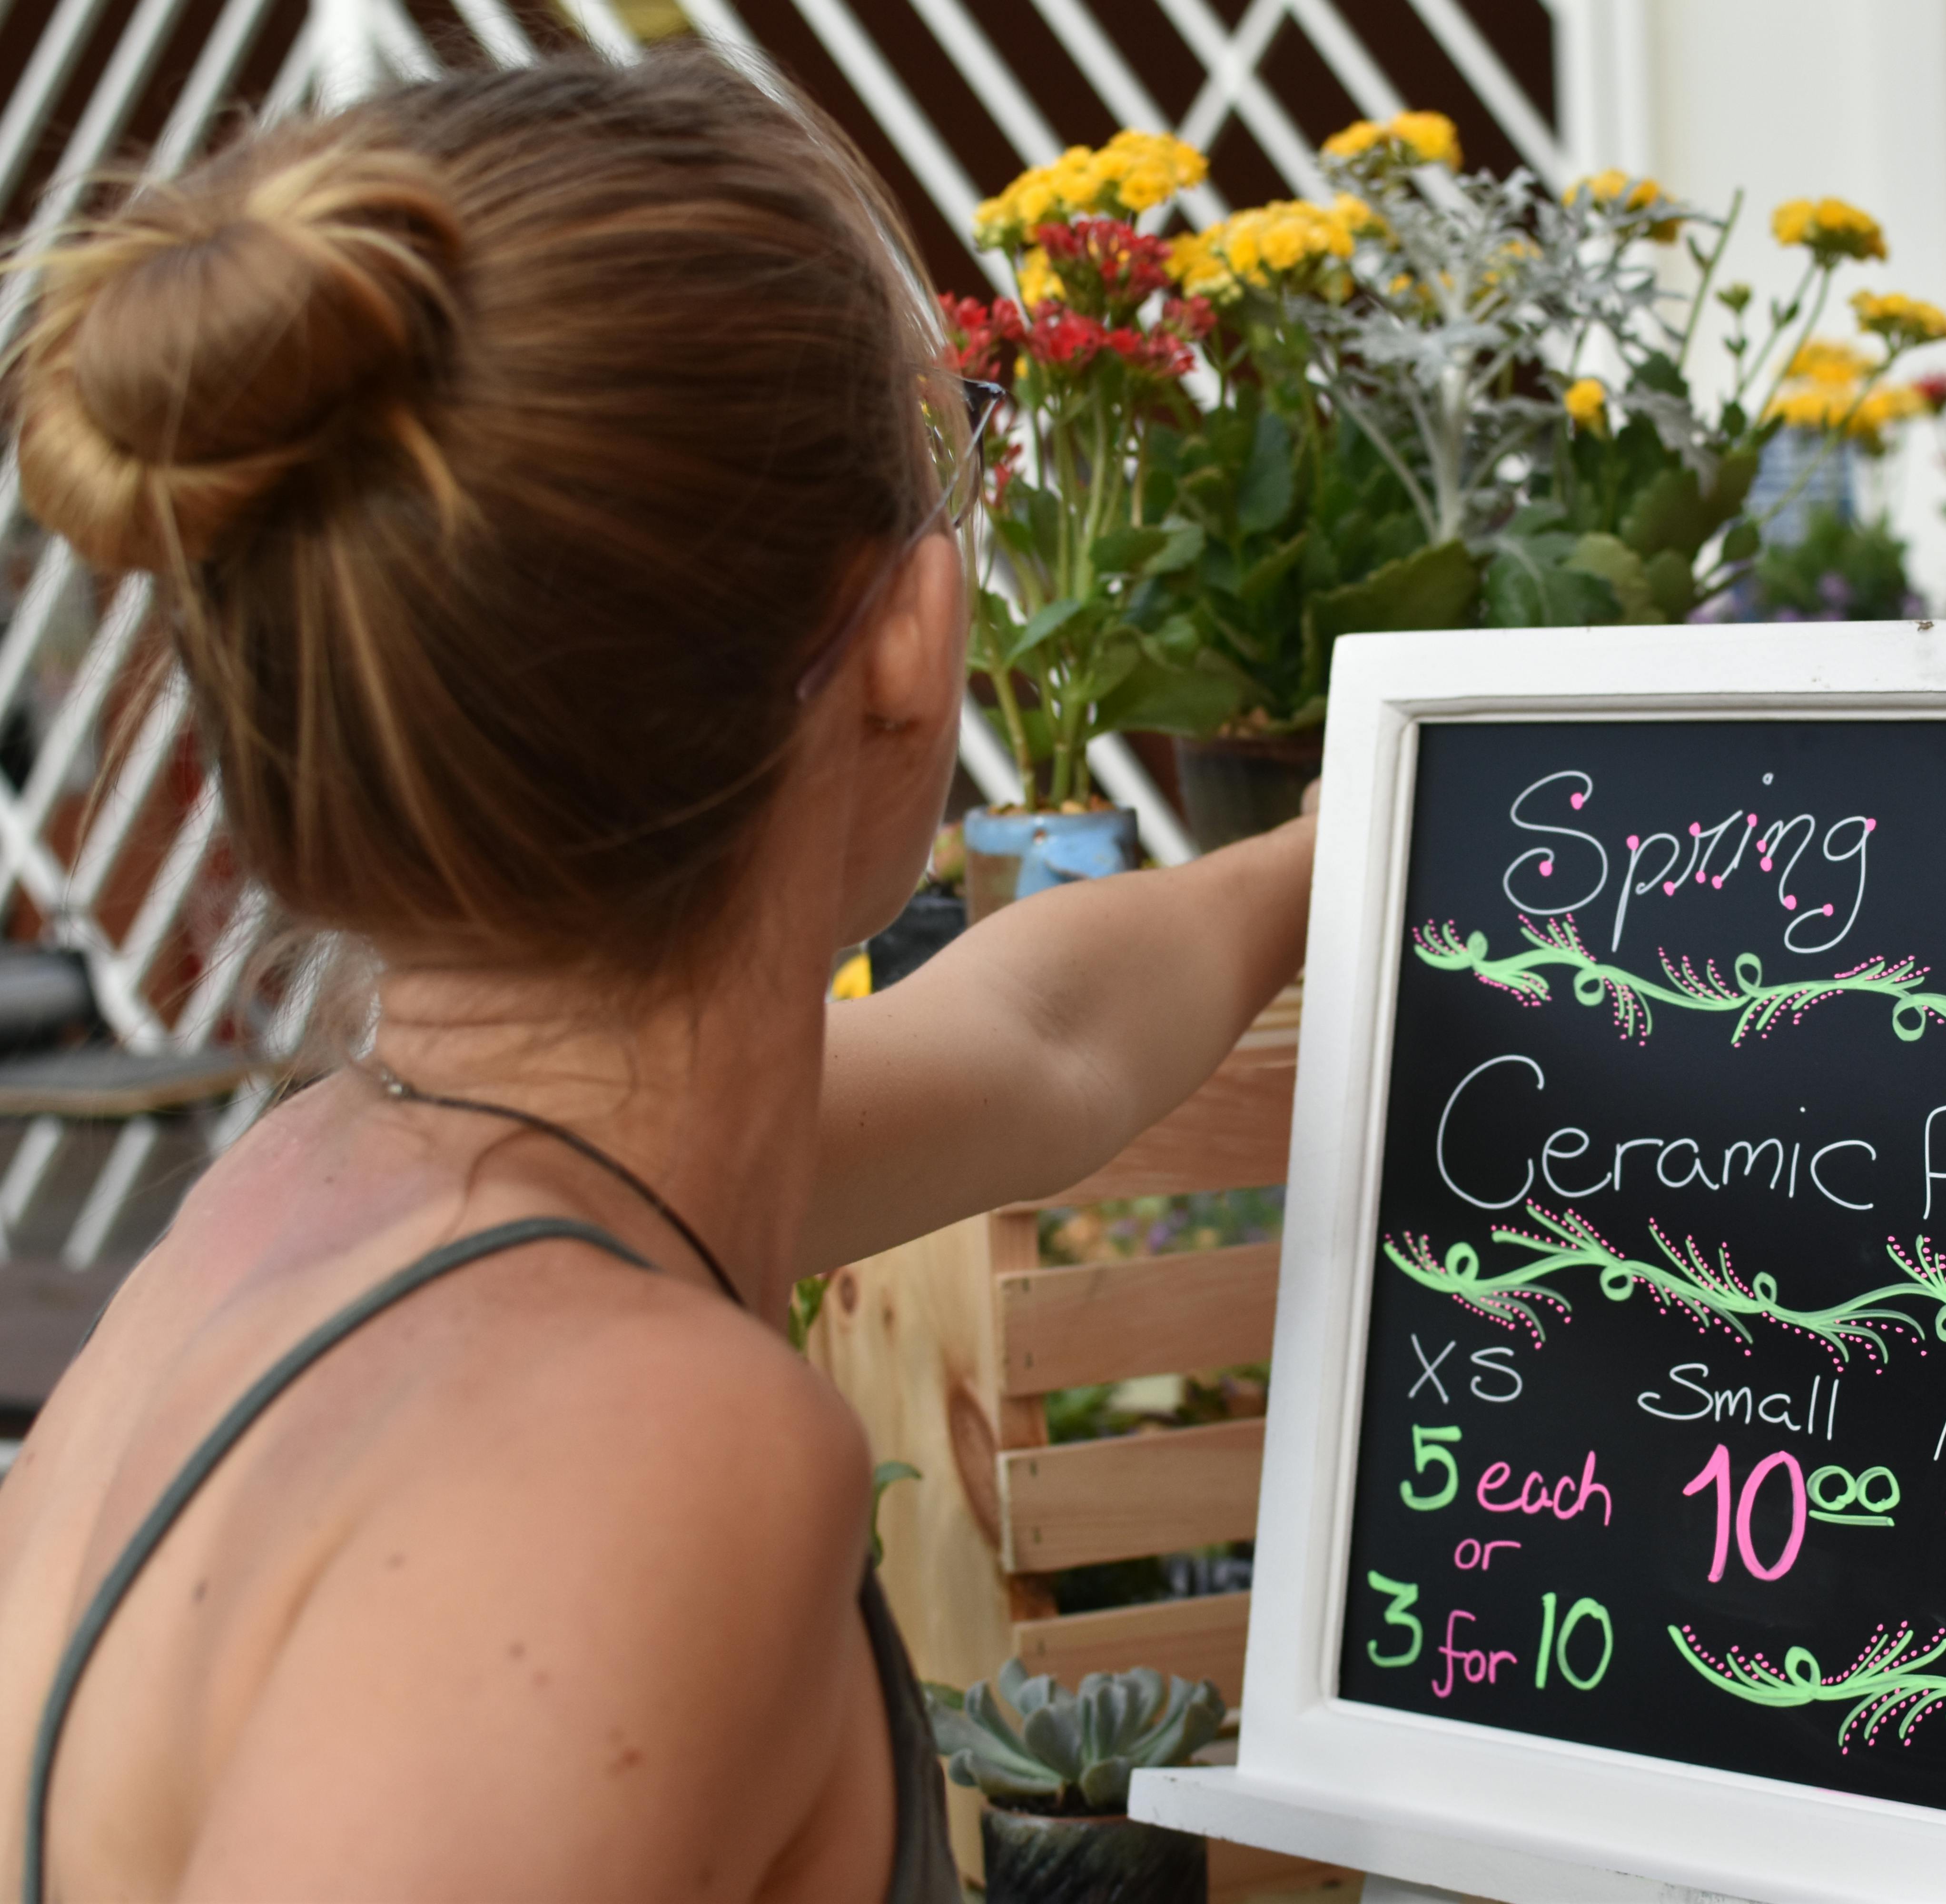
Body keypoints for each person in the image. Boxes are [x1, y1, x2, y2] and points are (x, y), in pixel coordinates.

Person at [0, 51, 1312, 1901]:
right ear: (910, 635)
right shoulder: (635, 1460)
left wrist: (1341, 858)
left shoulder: (341, 1188)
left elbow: (1048, 1033)